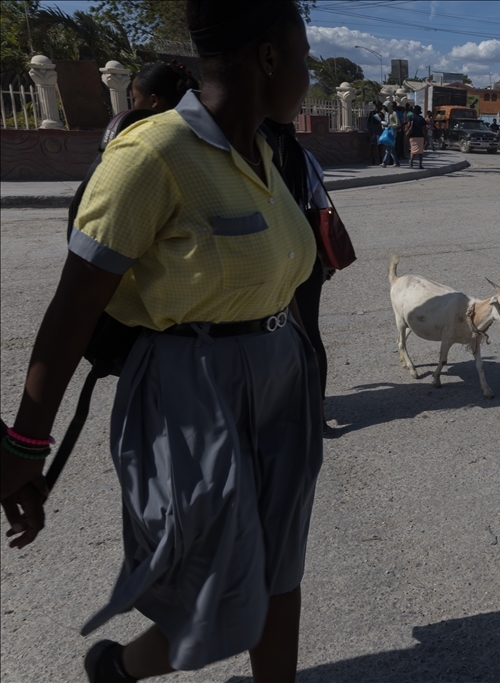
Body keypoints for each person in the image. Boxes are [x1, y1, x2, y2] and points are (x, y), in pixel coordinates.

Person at [1, 1, 323, 681]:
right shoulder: (151, 155)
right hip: (193, 387)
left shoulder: (266, 153)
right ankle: (118, 668)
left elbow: (283, 280)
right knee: (219, 590)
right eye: (304, 57)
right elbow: (73, 306)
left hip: (281, 378)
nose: (308, 73)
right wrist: (26, 443)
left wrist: (301, 366)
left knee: (280, 567)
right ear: (269, 58)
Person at [262, 118, 334, 431]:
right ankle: (318, 415)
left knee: (264, 335)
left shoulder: (252, 155)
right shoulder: (305, 159)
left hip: (265, 254)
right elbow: (321, 207)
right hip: (305, 253)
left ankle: (276, 408)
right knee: (309, 333)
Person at [131, 61, 199, 112]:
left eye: (135, 99)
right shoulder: (196, 120)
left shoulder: (150, 127)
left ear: (153, 101)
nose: (133, 106)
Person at [406, 104, 427, 169]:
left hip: (412, 136)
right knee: (420, 151)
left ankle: (411, 161)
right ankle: (420, 164)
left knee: (413, 150)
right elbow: (424, 129)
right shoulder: (421, 118)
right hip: (420, 136)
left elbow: (408, 125)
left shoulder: (411, 117)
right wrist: (427, 138)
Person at [381, 101, 398, 167]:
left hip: (392, 133)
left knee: (388, 149)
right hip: (387, 133)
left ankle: (384, 162)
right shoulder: (386, 114)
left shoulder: (394, 113)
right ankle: (396, 162)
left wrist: (390, 125)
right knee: (391, 149)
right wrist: (383, 125)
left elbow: (397, 124)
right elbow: (386, 122)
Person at [366, 101, 383, 165]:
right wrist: (369, 131)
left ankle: (381, 159)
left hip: (379, 130)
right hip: (373, 130)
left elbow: (383, 122)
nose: (381, 107)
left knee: (380, 145)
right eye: (380, 106)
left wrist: (381, 117)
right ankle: (373, 159)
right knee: (373, 145)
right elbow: (368, 122)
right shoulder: (372, 113)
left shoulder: (381, 114)